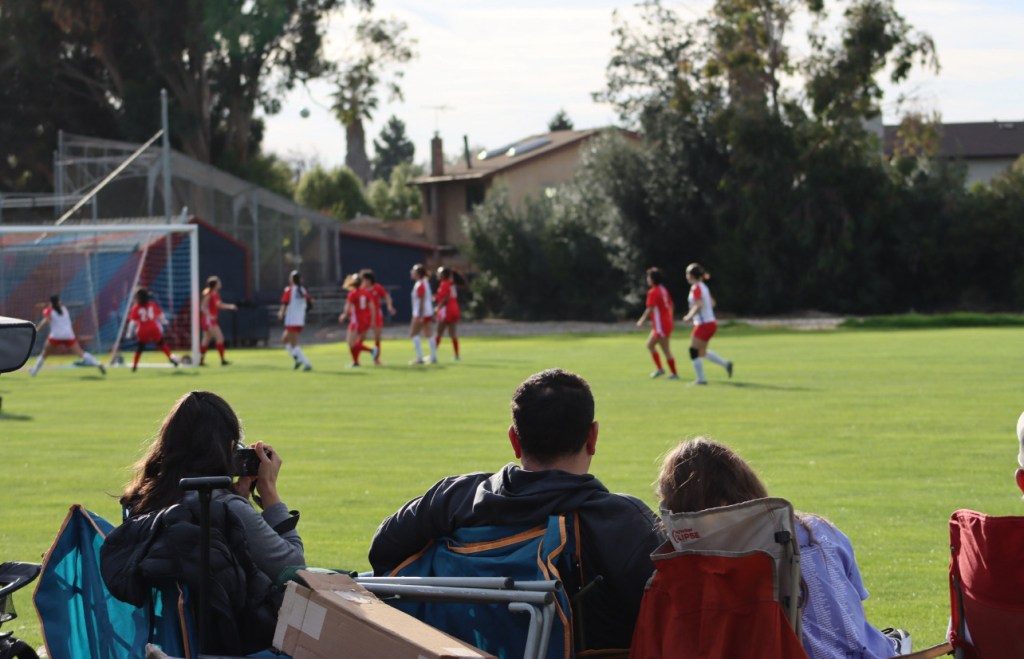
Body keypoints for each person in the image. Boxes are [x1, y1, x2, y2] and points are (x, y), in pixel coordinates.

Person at [369, 368, 663, 652]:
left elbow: (382, 556)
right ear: (593, 437)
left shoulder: (451, 500)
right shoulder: (622, 522)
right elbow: (675, 610)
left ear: (514, 440)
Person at [656, 437, 912, 658]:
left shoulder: (692, 558)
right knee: (890, 637)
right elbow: (854, 616)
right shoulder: (818, 532)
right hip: (861, 653)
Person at [103, 391, 303, 654]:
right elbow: (294, 570)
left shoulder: (140, 504)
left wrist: (239, 498)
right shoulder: (223, 507)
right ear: (227, 447)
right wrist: (269, 492)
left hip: (164, 638)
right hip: (237, 643)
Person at [681, 262, 733, 384]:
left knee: (693, 351)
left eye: (687, 273)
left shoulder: (696, 287)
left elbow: (699, 304)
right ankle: (726, 364)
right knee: (702, 352)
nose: (686, 276)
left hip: (704, 324)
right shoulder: (703, 286)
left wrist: (689, 316)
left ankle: (701, 379)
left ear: (691, 275)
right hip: (711, 323)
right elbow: (713, 303)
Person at [29, 295, 105, 376]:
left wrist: (37, 329)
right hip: (68, 335)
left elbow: (46, 321)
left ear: (50, 303)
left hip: (56, 336)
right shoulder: (64, 309)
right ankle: (97, 363)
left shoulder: (48, 310)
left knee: (44, 354)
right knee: (80, 353)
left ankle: (34, 371)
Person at [635, 267, 678, 379]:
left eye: (648, 277)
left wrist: (641, 321)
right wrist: (669, 317)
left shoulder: (653, 292)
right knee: (650, 345)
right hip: (664, 323)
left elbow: (650, 308)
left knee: (665, 349)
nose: (647, 279)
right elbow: (671, 304)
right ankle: (661, 369)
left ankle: (674, 373)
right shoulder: (663, 289)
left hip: (661, 326)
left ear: (653, 279)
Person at [126, 289, 179, 372]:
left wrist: (129, 334)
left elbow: (132, 322)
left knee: (140, 348)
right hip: (154, 328)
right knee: (162, 343)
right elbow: (160, 315)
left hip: (142, 330)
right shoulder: (152, 304)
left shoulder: (135, 308)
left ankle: (134, 366)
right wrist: (165, 322)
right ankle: (171, 357)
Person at [278, 270, 313, 371]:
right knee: (284, 340)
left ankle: (307, 363)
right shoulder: (303, 290)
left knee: (294, 343)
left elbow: (284, 303)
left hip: (292, 320)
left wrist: (281, 313)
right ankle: (297, 360)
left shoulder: (289, 290)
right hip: (299, 320)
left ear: (292, 279)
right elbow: (310, 304)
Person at [199, 275, 237, 366]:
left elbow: (217, 305)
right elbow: (203, 307)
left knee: (206, 340)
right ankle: (222, 360)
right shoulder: (211, 294)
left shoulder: (214, 294)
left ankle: (201, 361)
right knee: (220, 337)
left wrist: (229, 306)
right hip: (209, 321)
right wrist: (209, 315)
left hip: (209, 320)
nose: (220, 283)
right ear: (215, 284)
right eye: (218, 282)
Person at [361, 269, 395, 366]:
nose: (363, 282)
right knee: (361, 339)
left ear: (369, 280)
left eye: (364, 279)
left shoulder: (377, 288)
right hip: (364, 316)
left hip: (376, 315)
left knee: (377, 338)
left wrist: (389, 306)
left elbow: (387, 296)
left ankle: (376, 360)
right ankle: (356, 360)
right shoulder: (361, 290)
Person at [339, 273, 374, 367]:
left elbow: (348, 307)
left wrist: (344, 315)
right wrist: (372, 320)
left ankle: (372, 351)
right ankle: (356, 362)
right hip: (365, 320)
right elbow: (371, 307)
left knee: (350, 343)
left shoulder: (353, 294)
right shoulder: (365, 292)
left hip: (356, 321)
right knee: (357, 343)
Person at [408, 263, 437, 365]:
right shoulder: (424, 282)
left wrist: (419, 315)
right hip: (427, 312)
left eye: (414, 271)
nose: (412, 272)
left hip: (421, 313)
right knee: (428, 333)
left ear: (419, 274)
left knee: (414, 333)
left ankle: (420, 357)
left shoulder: (420, 283)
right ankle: (433, 356)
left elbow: (421, 299)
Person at [434, 266, 463, 361]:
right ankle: (457, 355)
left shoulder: (445, 284)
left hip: (447, 310)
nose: (437, 274)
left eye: (439, 272)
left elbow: (445, 298)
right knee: (453, 334)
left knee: (438, 333)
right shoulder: (451, 284)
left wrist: (438, 307)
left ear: (443, 275)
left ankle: (433, 355)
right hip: (455, 309)